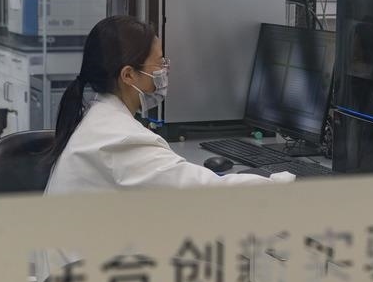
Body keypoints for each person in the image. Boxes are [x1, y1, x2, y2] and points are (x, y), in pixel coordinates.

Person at [45, 15, 295, 194]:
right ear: (128, 75)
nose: (165, 70)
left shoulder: (98, 118)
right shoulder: (119, 139)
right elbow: (205, 193)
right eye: (159, 63)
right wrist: (283, 186)